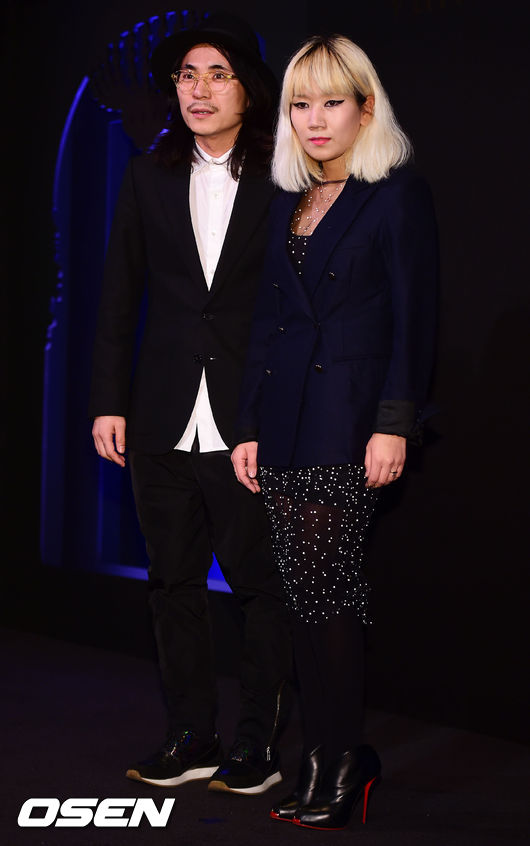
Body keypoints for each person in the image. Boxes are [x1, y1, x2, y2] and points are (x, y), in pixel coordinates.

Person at [232, 34, 438, 829]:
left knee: (328, 596)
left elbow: (415, 321)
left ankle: (343, 757)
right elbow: (269, 323)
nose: (315, 119)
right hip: (285, 423)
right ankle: (320, 755)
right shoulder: (291, 199)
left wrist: (395, 426)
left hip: (349, 424)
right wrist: (248, 424)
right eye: (300, 104)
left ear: (365, 107)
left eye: (331, 102)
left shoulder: (396, 195)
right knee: (303, 599)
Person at [89, 12, 292, 795]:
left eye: (217, 75)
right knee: (172, 582)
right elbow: (118, 293)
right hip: (161, 412)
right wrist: (109, 400)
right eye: (186, 76)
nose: (198, 90)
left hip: (248, 419)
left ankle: (257, 744)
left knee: (257, 585)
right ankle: (190, 737)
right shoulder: (148, 175)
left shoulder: (285, 177)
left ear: (248, 89)